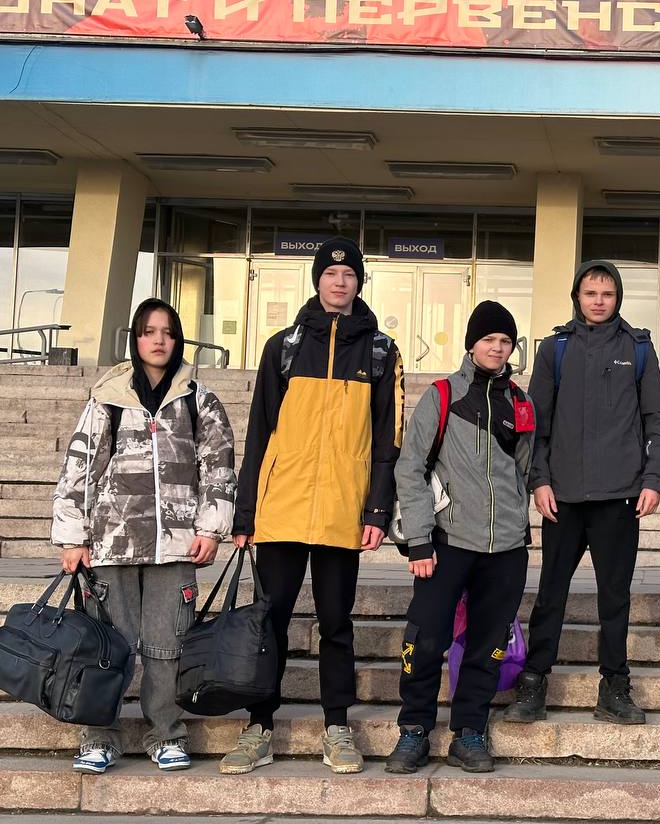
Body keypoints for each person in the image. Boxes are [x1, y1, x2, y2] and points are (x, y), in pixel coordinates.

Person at [220, 237, 403, 776]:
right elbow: (259, 432)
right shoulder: (283, 346)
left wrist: (377, 510)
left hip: (343, 508)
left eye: (349, 275)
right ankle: (259, 725)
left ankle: (337, 726)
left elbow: (388, 439)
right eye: (330, 274)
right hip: (282, 505)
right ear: (318, 279)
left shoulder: (380, 352)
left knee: (336, 623)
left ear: (359, 283)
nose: (339, 282)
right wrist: (246, 512)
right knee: (270, 620)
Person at [51, 298, 236, 774]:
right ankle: (99, 738)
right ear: (135, 339)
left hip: (175, 546)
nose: (159, 340)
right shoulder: (107, 397)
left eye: (168, 332)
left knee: (167, 647)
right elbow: (80, 469)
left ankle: (166, 734)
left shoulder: (199, 399)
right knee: (105, 646)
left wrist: (211, 528)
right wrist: (72, 537)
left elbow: (218, 467)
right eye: (149, 332)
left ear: (178, 340)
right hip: (111, 544)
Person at [503, 261, 660, 726]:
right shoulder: (555, 349)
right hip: (563, 497)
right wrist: (539, 480)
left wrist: (654, 480)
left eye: (607, 294)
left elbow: (657, 419)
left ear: (618, 298)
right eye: (590, 293)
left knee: (614, 599)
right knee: (550, 595)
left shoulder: (638, 349)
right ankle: (534, 681)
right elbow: (534, 423)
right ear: (577, 296)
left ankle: (614, 686)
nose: (599, 301)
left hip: (619, 497)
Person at [385, 301, 536, 775]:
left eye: (505, 341)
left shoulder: (521, 402)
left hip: (506, 547)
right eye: (489, 339)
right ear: (472, 344)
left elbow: (526, 471)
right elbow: (410, 468)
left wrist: (520, 523)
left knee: (487, 646)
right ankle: (413, 730)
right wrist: (419, 540)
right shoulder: (443, 395)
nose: (497, 347)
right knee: (426, 639)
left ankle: (469, 731)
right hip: (446, 542)